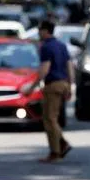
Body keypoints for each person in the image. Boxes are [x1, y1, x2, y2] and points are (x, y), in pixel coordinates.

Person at [23, 19, 75, 163]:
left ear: (46, 31)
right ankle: (60, 146)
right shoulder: (61, 46)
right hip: (63, 83)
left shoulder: (46, 47)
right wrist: (69, 85)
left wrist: (32, 87)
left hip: (52, 85)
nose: (39, 33)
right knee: (52, 117)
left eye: (40, 30)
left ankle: (57, 149)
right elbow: (69, 66)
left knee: (50, 119)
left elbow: (44, 69)